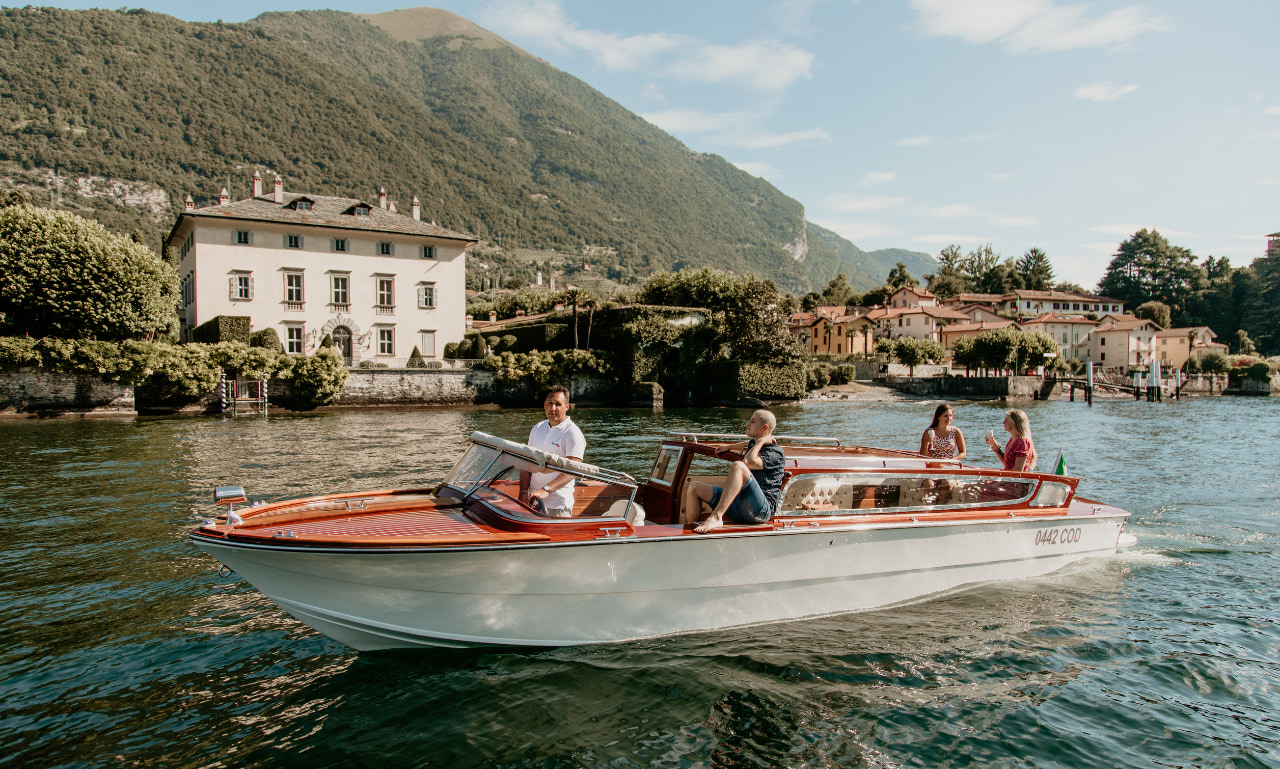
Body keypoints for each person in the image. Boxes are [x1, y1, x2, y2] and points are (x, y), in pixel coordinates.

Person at [685, 409, 786, 534]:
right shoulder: (753, 443)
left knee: (738, 466)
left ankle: (716, 517)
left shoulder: (775, 453)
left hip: (761, 511)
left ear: (764, 427)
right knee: (695, 487)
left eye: (753, 421)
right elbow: (748, 443)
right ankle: (691, 532)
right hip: (740, 504)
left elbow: (749, 462)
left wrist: (760, 442)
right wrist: (729, 447)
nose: (747, 423)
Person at [519, 384, 586, 517]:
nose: (553, 408)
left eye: (558, 404)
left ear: (567, 407)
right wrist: (523, 491)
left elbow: (574, 469)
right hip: (533, 501)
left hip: (558, 505)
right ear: (544, 405)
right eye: (549, 403)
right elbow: (526, 462)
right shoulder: (537, 428)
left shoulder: (572, 433)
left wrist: (546, 490)